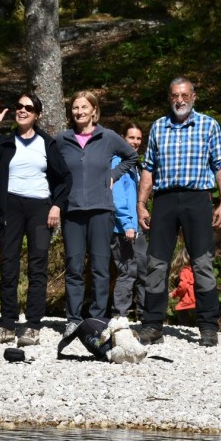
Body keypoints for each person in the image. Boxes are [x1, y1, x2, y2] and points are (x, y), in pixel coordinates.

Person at [137, 77, 221, 347]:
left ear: (194, 97)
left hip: (197, 198)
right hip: (165, 199)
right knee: (156, 263)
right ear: (170, 98)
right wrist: (142, 203)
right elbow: (148, 168)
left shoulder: (208, 125)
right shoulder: (158, 127)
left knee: (202, 262)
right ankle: (152, 324)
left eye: (184, 95)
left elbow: (220, 164)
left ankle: (208, 326)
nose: (180, 100)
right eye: (175, 96)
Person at [0, 95, 70, 347]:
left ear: (37, 114)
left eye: (28, 108)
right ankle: (7, 324)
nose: (22, 111)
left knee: (37, 266)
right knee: (8, 266)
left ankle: (32, 325)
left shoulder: (47, 144)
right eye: (19, 107)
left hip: (40, 207)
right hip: (10, 206)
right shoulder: (8, 141)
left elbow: (65, 178)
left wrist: (56, 206)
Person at [56, 91, 136, 337]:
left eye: (83, 107)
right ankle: (73, 319)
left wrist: (113, 175)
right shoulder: (62, 139)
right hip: (72, 211)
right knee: (74, 266)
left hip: (101, 210)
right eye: (75, 108)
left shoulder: (108, 137)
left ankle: (99, 318)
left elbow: (131, 157)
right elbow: (53, 170)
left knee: (101, 267)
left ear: (94, 110)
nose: (79, 112)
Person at [110, 122, 147, 318]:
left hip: (137, 226)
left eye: (138, 138)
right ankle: (119, 315)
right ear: (122, 138)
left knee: (143, 269)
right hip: (122, 227)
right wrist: (127, 224)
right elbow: (118, 198)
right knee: (127, 270)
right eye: (131, 137)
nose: (135, 142)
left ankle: (143, 314)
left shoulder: (136, 165)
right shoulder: (117, 163)